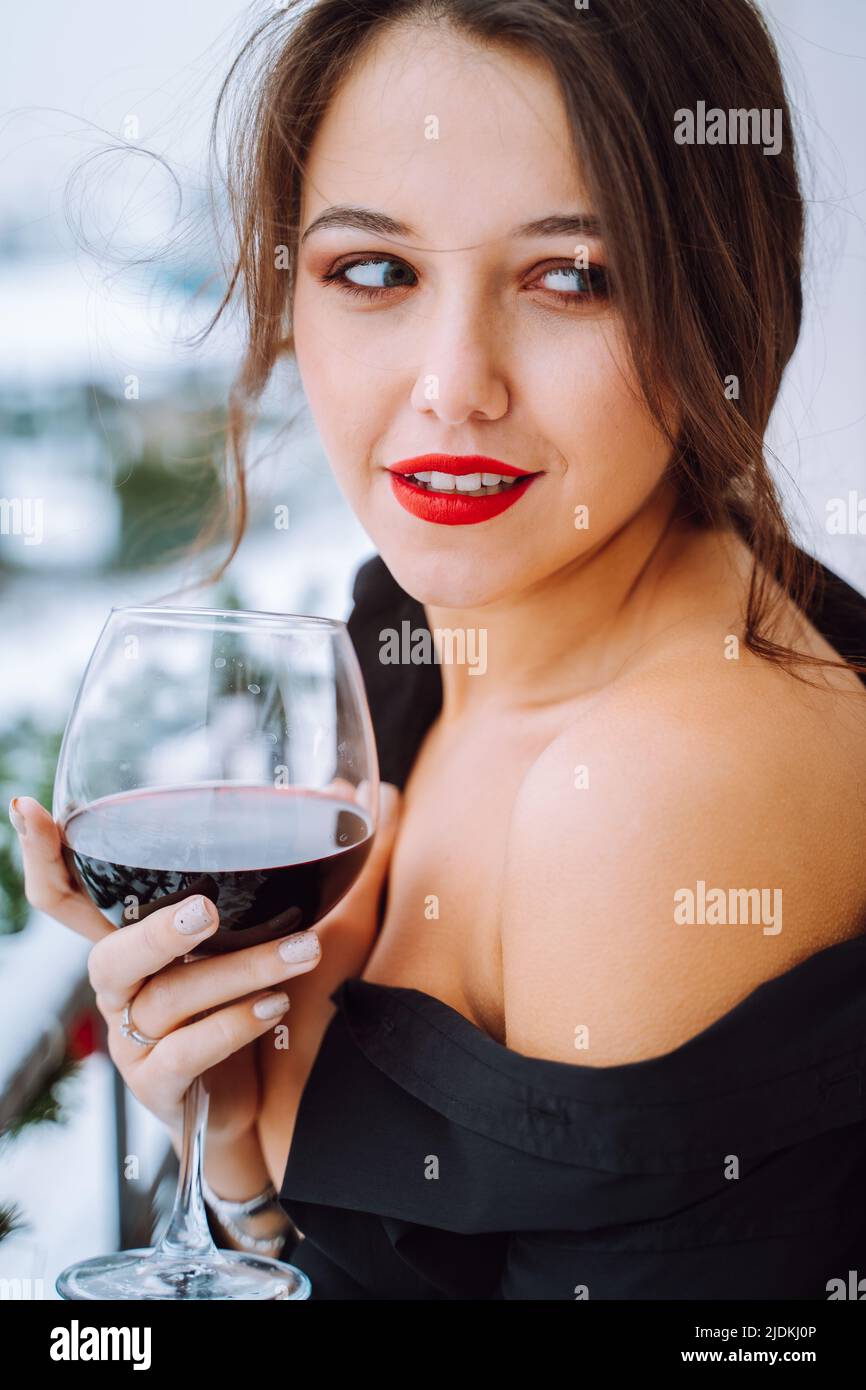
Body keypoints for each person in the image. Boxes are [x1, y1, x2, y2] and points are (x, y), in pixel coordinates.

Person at [11, 0, 866, 1298]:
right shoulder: (397, 635)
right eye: (374, 270)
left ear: (718, 292)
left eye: (571, 275)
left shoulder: (655, 791)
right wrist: (234, 1148)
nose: (452, 381)